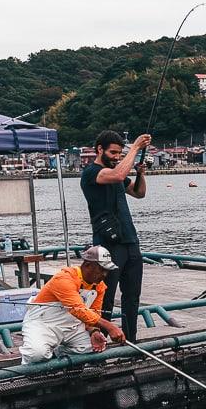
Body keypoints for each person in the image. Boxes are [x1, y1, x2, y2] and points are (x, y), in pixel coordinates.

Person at [81, 130, 151, 342]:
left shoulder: (116, 171)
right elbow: (119, 175)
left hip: (130, 241)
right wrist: (136, 147)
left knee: (132, 297)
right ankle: (100, 339)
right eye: (113, 153)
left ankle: (130, 340)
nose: (117, 157)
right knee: (106, 295)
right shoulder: (92, 173)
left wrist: (140, 173)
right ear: (99, 149)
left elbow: (139, 193)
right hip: (107, 245)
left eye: (120, 153)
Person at [19, 246, 125, 364]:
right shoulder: (64, 278)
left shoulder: (99, 286)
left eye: (107, 270)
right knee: (36, 354)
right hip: (44, 324)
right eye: (101, 269)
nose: (105, 274)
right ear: (88, 265)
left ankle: (58, 352)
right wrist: (110, 326)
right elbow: (78, 309)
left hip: (73, 326)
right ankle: (32, 364)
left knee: (95, 347)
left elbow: (94, 313)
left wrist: (94, 331)